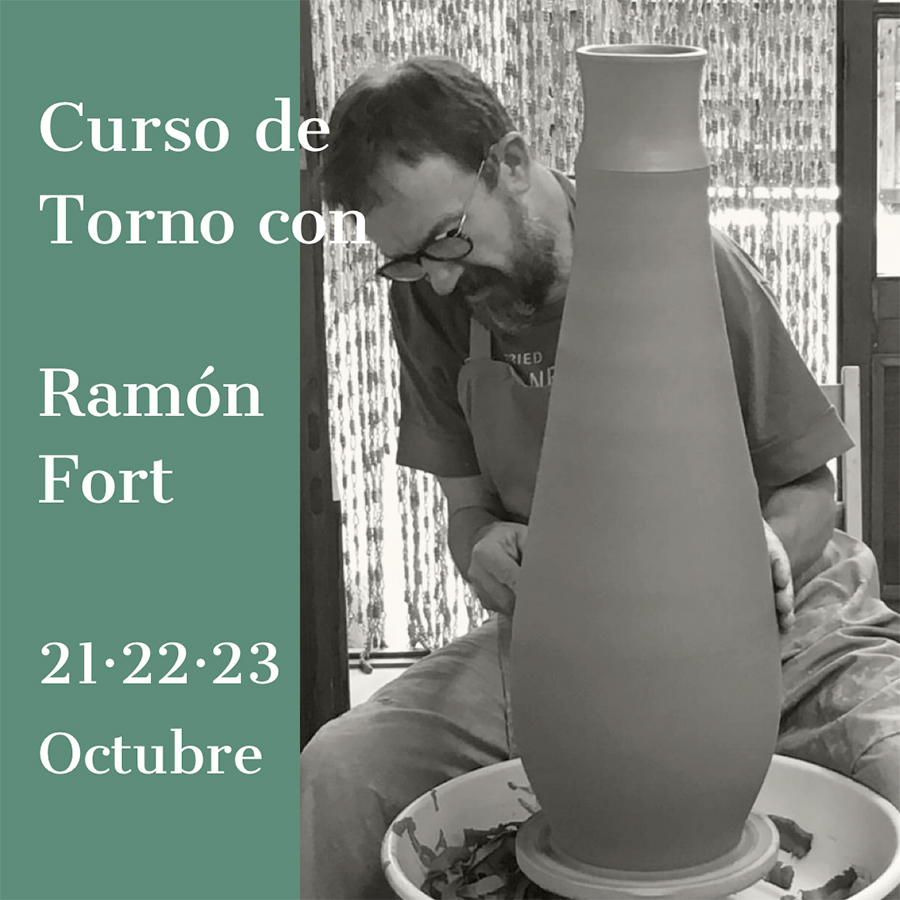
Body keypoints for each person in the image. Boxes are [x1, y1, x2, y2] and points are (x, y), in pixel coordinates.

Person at [302, 56, 900, 899]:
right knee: (337, 774)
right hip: (559, 647)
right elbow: (467, 509)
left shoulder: (693, 262)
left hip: (783, 621)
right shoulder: (432, 300)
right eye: (405, 260)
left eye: (445, 238)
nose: (438, 277)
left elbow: (809, 490)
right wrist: (482, 544)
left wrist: (753, 557)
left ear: (511, 163)